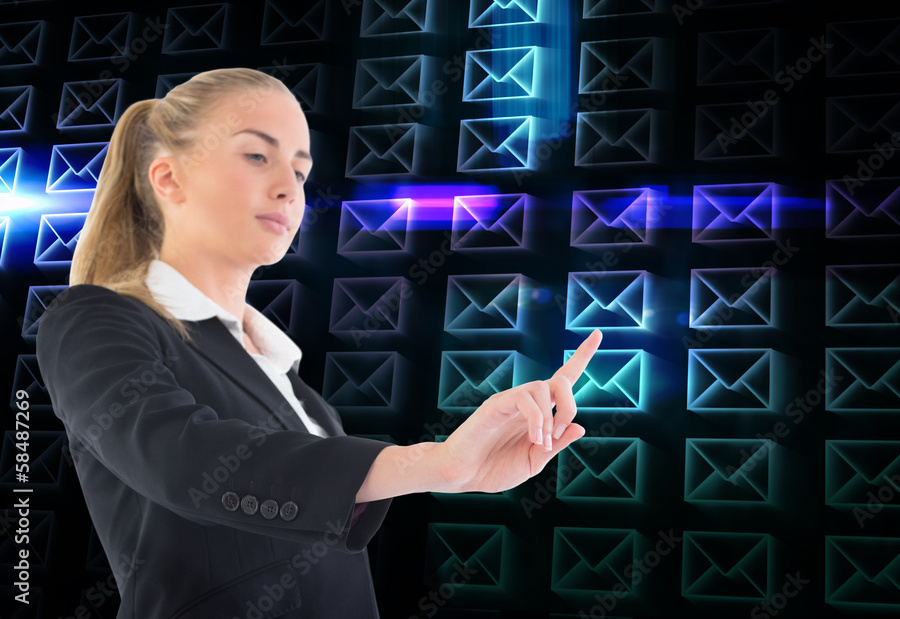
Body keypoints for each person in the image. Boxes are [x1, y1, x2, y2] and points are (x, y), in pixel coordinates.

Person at [34, 68, 601, 618]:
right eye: (257, 156)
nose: (288, 188)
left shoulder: (291, 383)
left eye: (301, 172)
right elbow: (180, 458)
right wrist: (436, 463)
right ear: (169, 178)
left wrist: (456, 474)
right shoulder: (94, 319)